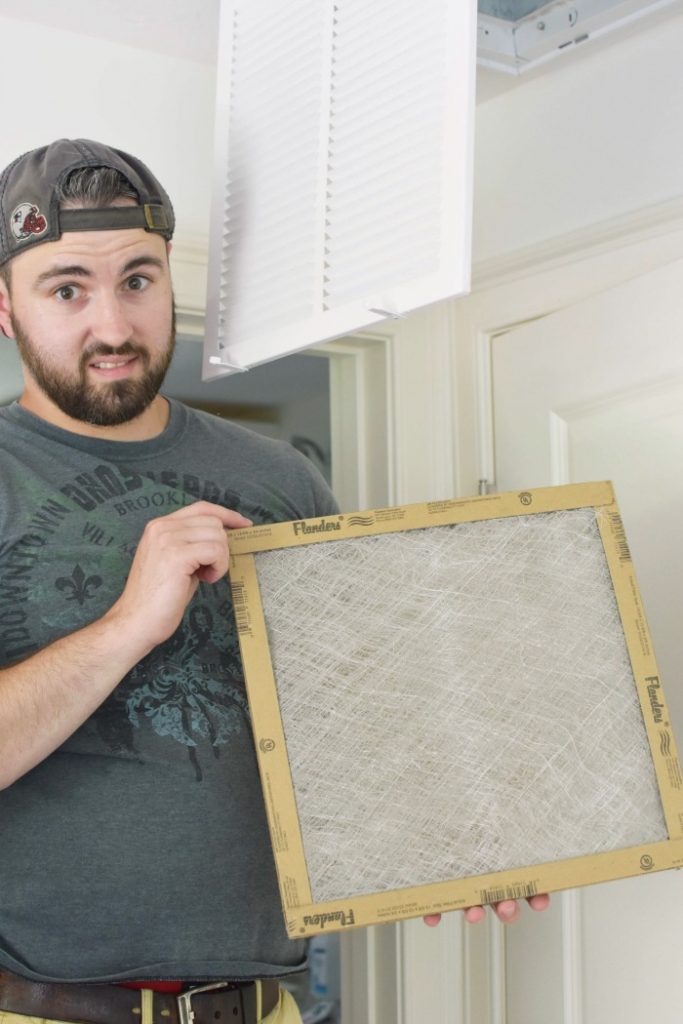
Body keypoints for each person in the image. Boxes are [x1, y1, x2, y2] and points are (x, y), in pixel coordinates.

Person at [0, 139, 548, 1024]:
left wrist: (458, 841)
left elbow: (351, 727)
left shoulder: (279, 478)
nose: (112, 324)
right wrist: (129, 623)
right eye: (67, 288)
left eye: (138, 280)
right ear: (4, 307)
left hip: (265, 1005)